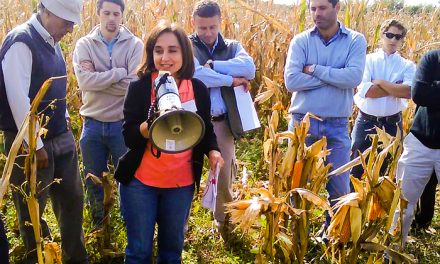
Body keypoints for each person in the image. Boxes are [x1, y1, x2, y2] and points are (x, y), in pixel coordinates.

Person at [114, 21, 223, 263]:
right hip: (141, 184)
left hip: (180, 185)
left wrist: (213, 151)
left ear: (184, 52)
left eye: (173, 50)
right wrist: (150, 125)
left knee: (172, 251)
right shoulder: (140, 88)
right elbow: (129, 137)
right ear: (151, 54)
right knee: (138, 251)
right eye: (158, 50)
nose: (165, 57)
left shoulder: (198, 89)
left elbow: (205, 131)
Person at [0, 0, 88, 263]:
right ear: (47, 13)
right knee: (32, 213)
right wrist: (35, 145)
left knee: (73, 202)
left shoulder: (52, 41)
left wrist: (66, 131)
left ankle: (75, 258)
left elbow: (54, 93)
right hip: (30, 146)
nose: (71, 29)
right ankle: (38, 258)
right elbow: (18, 99)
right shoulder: (21, 42)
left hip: (60, 138)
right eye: (67, 22)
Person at [284, 0, 366, 226]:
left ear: (337, 7)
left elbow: (353, 78)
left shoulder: (355, 40)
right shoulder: (301, 41)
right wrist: (333, 79)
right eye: (312, 8)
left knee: (340, 187)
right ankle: (297, 234)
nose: (316, 14)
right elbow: (291, 81)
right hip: (303, 124)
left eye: (322, 8)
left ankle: (333, 236)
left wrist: (315, 70)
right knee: (296, 184)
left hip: (337, 125)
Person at [73, 0, 143, 228]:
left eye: (116, 13)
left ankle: (128, 223)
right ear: (98, 14)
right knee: (92, 178)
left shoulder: (135, 45)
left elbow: (134, 85)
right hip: (92, 124)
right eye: (106, 13)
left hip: (122, 124)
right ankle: (98, 223)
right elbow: (84, 81)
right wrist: (119, 73)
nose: (111, 18)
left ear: (122, 15)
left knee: (128, 178)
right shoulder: (85, 44)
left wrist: (99, 80)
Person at [190, 0, 256, 240]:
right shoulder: (186, 45)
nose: (207, 33)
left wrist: (215, 65)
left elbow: (249, 69)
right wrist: (231, 79)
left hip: (221, 122)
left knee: (224, 175)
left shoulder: (232, 46)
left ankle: (223, 222)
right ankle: (182, 223)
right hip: (192, 121)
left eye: (212, 27)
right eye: (202, 28)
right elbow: (197, 75)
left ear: (220, 23)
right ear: (193, 25)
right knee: (188, 174)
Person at [351, 19, 416, 179]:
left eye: (398, 37)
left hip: (392, 123)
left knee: (386, 172)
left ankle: (378, 205)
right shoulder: (367, 60)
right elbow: (366, 91)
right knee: (356, 169)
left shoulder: (407, 65)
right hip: (366, 121)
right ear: (382, 35)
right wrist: (395, 88)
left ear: (402, 40)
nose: (393, 40)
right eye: (390, 35)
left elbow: (408, 92)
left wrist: (379, 83)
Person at [390, 49, 440, 247]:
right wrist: (428, 91)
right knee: (402, 203)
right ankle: (393, 251)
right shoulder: (432, 58)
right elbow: (419, 93)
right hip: (420, 142)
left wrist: (434, 88)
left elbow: (427, 93)